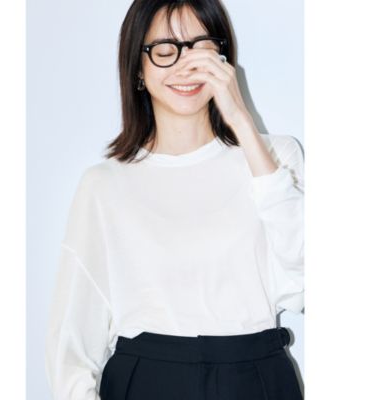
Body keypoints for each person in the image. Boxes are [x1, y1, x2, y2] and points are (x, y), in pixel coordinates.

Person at [44, 1, 304, 399]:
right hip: (146, 381)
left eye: (201, 48)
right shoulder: (104, 185)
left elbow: (307, 282)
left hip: (255, 379)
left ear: (223, 58)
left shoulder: (275, 160)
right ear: (137, 68)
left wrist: (242, 122)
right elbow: (71, 346)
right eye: (165, 51)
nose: (185, 66)